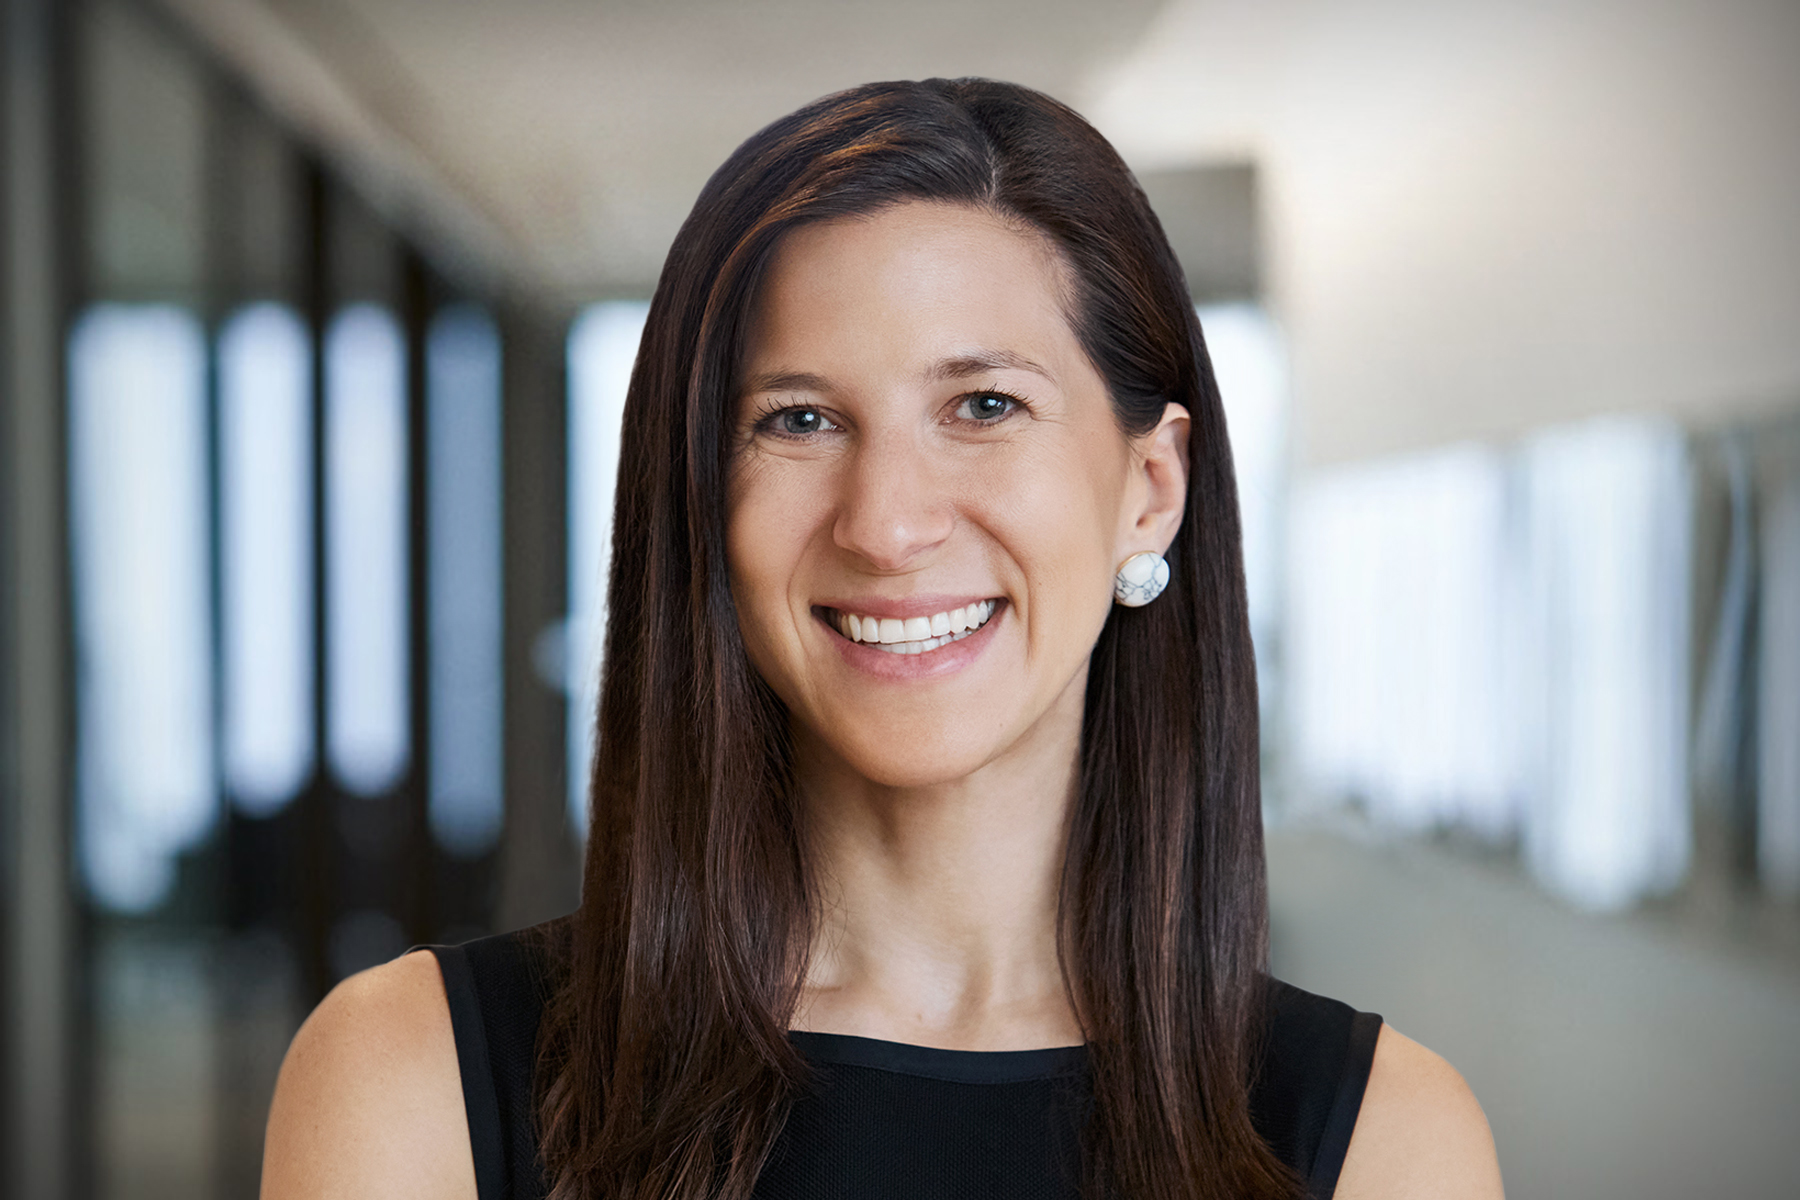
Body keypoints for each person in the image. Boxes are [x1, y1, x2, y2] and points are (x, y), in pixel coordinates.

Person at [262, 78, 1503, 1200]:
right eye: (799, 419)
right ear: (701, 493)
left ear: (1151, 486)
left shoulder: (1381, 1139)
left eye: (983, 405)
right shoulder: (410, 1081)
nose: (889, 523)